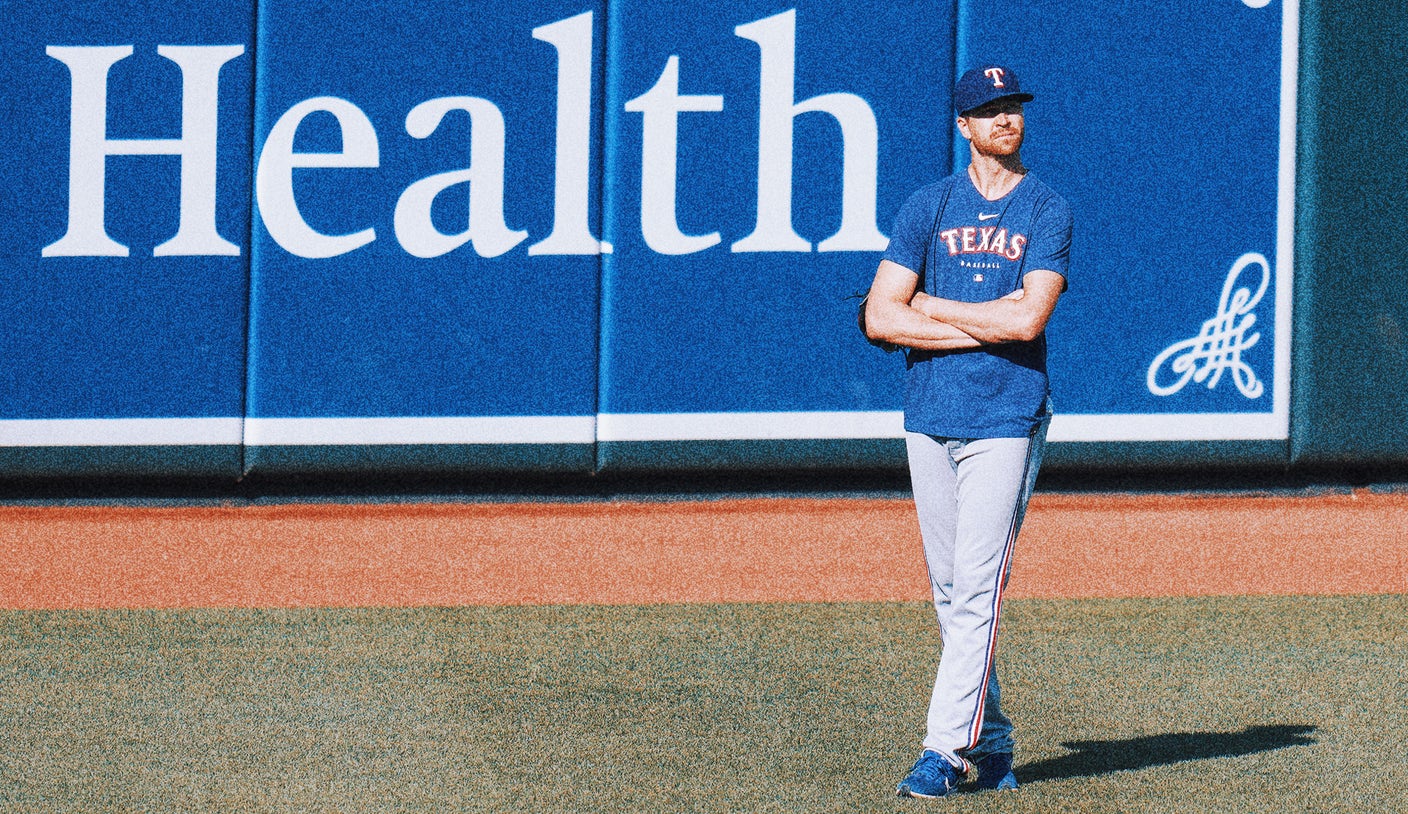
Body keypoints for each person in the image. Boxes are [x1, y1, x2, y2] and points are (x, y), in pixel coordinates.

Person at [863, 63, 1072, 799]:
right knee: (951, 590)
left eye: (1013, 105)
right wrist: (970, 320)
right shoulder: (929, 206)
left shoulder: (1047, 209)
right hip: (930, 413)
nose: (1005, 119)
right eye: (989, 109)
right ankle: (998, 740)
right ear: (963, 125)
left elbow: (1028, 319)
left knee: (979, 586)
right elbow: (880, 317)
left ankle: (944, 750)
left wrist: (935, 310)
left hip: (1008, 415)